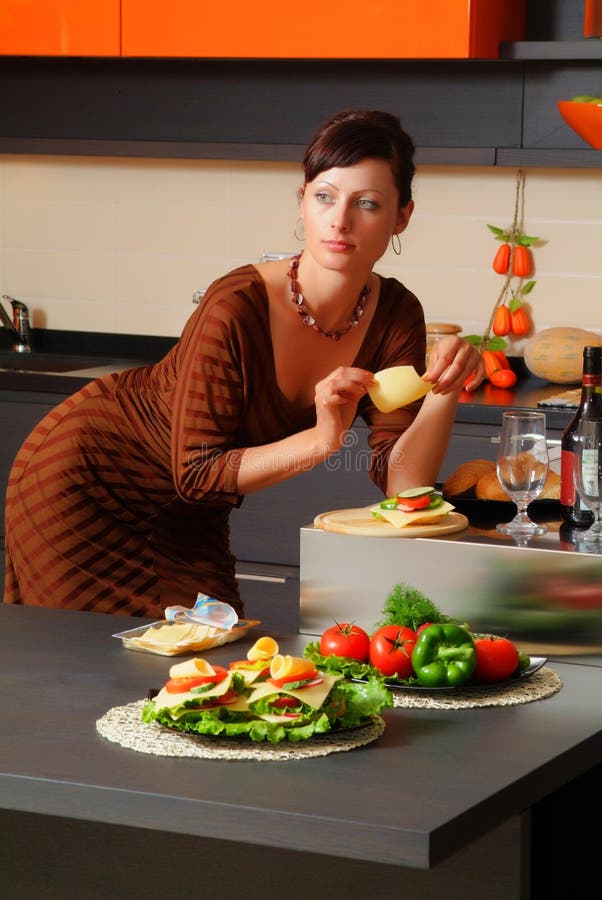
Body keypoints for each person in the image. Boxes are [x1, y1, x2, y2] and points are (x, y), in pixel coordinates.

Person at [3, 109, 484, 618]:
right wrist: (322, 441)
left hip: (190, 516)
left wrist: (444, 389)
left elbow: (403, 486)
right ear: (301, 199)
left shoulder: (396, 313)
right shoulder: (237, 304)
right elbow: (196, 471)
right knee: (89, 671)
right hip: (87, 482)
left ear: (402, 216)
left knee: (216, 660)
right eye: (324, 196)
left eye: (366, 203)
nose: (340, 221)